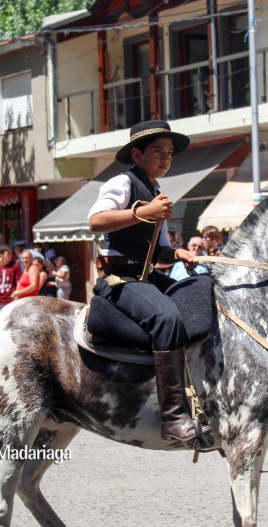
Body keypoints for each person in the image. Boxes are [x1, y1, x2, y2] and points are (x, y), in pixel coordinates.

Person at [88, 119, 208, 443]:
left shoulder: (156, 194)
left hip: (146, 274)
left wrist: (179, 253)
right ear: (137, 154)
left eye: (169, 153)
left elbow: (161, 253)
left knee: (203, 292)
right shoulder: (122, 183)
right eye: (159, 151)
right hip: (119, 278)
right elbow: (96, 221)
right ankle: (173, 418)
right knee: (166, 317)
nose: (166, 158)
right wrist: (145, 212)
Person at [0, 245, 22, 313]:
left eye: (11, 254)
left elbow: (19, 282)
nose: (10, 256)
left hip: (11, 300)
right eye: (8, 254)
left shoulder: (15, 266)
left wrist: (16, 297)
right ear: (1, 255)